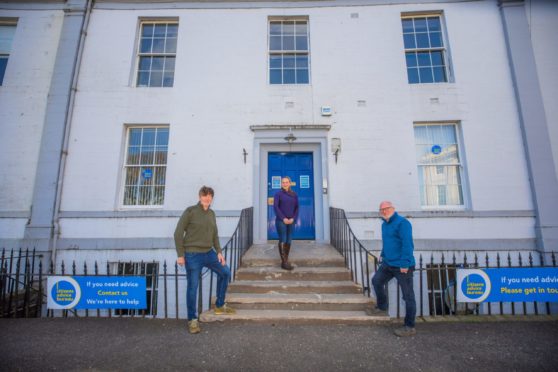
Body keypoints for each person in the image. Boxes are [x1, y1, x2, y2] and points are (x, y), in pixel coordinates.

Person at [174, 186, 236, 334]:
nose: (207, 198)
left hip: (209, 253)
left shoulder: (212, 214)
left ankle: (220, 305)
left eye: (210, 196)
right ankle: (192, 320)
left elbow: (215, 235)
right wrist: (180, 255)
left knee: (225, 273)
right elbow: (178, 233)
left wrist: (219, 252)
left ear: (212, 198)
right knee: (193, 287)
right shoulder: (190, 211)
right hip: (192, 255)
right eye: (204, 195)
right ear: (199, 196)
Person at [371, 201, 417, 337]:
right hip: (388, 263)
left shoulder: (403, 223)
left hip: (402, 266)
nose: (384, 211)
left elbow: (407, 244)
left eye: (387, 208)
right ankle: (382, 307)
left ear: (393, 209)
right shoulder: (384, 224)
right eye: (382, 210)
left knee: (408, 296)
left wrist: (404, 264)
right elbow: (387, 242)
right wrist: (383, 254)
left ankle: (409, 326)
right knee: (376, 281)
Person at [273, 176, 299, 270]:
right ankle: (284, 262)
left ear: (290, 183)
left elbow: (297, 208)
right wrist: (283, 218)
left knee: (289, 239)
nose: (285, 184)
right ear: (281, 184)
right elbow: (276, 207)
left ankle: (286, 260)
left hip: (291, 220)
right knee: (283, 239)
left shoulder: (294, 194)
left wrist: (293, 218)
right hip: (281, 221)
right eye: (283, 182)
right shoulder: (278, 194)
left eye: (286, 182)